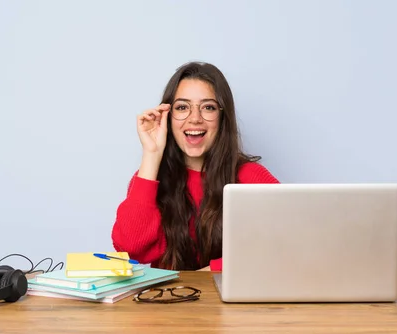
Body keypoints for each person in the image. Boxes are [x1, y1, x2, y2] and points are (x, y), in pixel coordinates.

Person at [111, 61, 279, 271]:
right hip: (167, 301)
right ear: (168, 117)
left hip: (230, 302)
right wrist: (152, 154)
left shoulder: (250, 176)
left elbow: (287, 244)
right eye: (182, 107)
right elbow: (131, 250)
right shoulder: (148, 177)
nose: (195, 119)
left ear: (222, 117)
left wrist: (211, 272)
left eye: (208, 107)